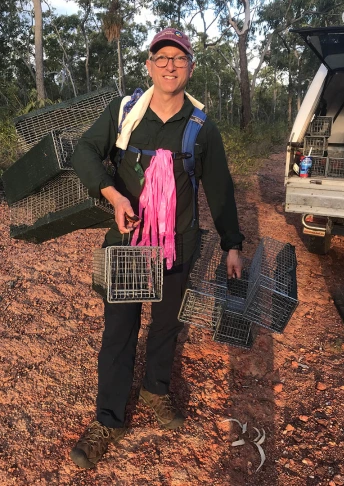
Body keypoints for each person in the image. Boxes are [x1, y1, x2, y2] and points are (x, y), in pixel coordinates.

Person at [70, 27, 245, 469]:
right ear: (148, 65)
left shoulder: (202, 128)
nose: (170, 65)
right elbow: (85, 152)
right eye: (161, 57)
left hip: (177, 245)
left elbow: (220, 190)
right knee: (119, 330)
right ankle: (108, 418)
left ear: (190, 67)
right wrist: (112, 195)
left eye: (179, 57)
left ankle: (155, 389)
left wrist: (232, 244)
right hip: (129, 244)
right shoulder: (125, 113)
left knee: (167, 325)